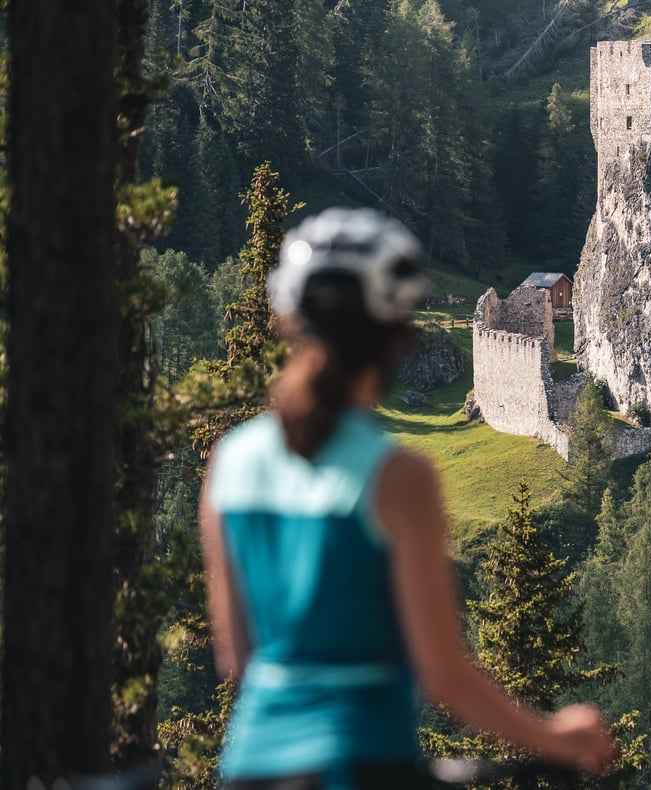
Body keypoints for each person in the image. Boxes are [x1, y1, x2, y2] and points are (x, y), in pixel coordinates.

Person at [200, 208, 616, 789]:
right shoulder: (397, 477)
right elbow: (442, 674)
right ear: (398, 336)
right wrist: (557, 736)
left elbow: (239, 661)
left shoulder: (232, 462)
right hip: (361, 762)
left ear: (290, 323)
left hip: (251, 767)